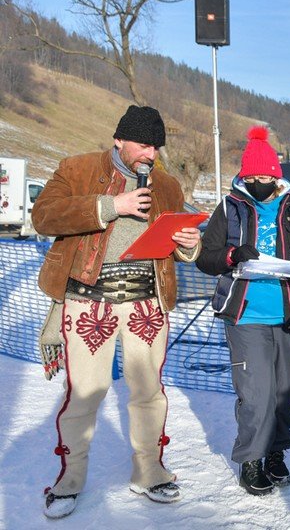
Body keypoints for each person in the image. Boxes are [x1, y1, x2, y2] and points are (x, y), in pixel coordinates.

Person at [32, 105, 202, 519]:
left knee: (148, 392)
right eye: (143, 145)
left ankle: (149, 471)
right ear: (119, 140)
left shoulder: (167, 184)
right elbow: (44, 216)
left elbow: (176, 246)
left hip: (146, 302)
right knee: (85, 393)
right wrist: (112, 205)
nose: (151, 154)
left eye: (156, 147)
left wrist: (189, 243)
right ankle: (70, 479)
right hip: (89, 300)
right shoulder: (77, 169)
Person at [196, 126, 290, 496]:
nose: (260, 184)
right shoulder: (230, 208)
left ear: (277, 177)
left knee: (285, 391)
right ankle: (251, 458)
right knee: (257, 392)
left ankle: (275, 453)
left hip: (289, 314)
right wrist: (233, 255)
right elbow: (205, 258)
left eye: (266, 178)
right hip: (246, 314)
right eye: (253, 178)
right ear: (244, 176)